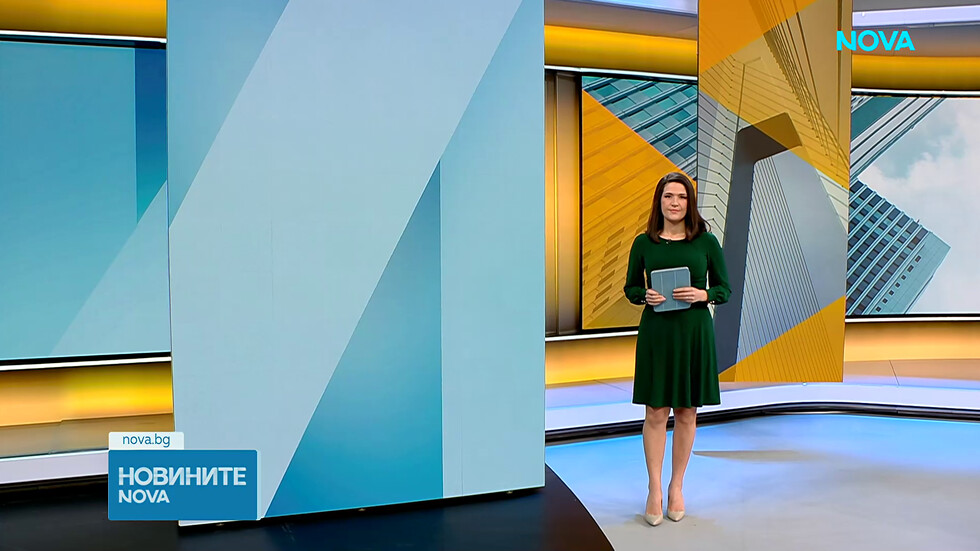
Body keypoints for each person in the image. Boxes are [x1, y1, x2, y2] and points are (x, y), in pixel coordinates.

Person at [623, 171, 731, 526]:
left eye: (682, 197)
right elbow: (630, 288)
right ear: (659, 201)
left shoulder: (706, 242)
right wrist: (645, 295)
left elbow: (724, 290)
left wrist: (703, 294)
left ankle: (676, 487)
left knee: (686, 411)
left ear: (690, 202)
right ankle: (654, 488)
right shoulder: (644, 243)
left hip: (694, 332)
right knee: (656, 412)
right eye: (669, 196)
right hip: (657, 333)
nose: (675, 203)